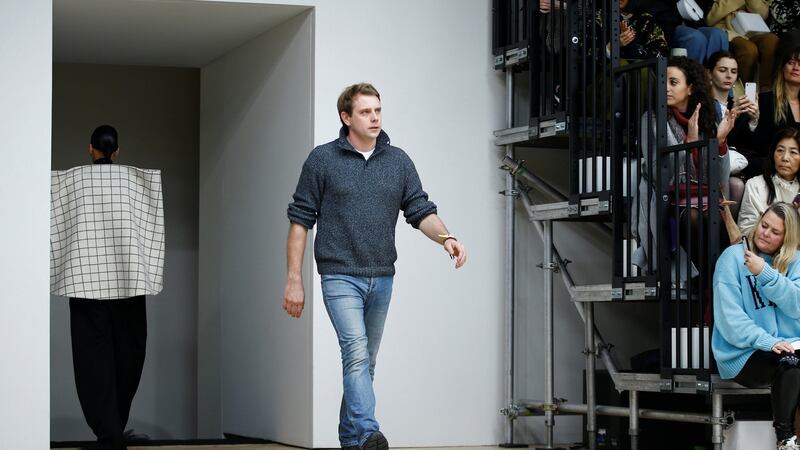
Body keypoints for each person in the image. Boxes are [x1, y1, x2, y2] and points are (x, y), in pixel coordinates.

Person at [283, 83, 467, 450]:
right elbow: (300, 220)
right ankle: (369, 433)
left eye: (378, 110)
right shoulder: (322, 160)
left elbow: (420, 210)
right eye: (366, 112)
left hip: (382, 276)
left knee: (364, 364)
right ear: (346, 117)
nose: (375, 117)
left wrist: (446, 237)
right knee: (355, 352)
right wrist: (294, 280)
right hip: (339, 275)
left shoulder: (398, 161)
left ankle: (353, 443)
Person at [50, 125, 165, 450]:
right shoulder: (135, 181)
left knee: (91, 359)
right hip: (128, 280)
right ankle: (113, 428)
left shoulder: (72, 181)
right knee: (128, 355)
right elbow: (151, 225)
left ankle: (108, 431)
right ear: (117, 151)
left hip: (84, 279)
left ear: (91, 149)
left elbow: (57, 222)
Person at [634, 56, 737, 274]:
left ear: (690, 88)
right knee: (694, 216)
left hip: (703, 197)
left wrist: (720, 144)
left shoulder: (708, 118)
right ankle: (715, 283)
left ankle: (714, 281)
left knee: (711, 215)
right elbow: (657, 172)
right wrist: (688, 144)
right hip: (668, 197)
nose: (666, 88)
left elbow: (720, 178)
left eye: (673, 82)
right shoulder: (651, 119)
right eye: (663, 82)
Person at [712, 201, 800, 450]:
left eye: (775, 232)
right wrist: (769, 342)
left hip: (787, 346)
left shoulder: (794, 261)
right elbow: (731, 322)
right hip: (742, 353)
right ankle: (785, 439)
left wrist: (766, 274)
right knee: (790, 364)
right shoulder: (732, 258)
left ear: (787, 237)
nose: (765, 234)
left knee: (792, 361)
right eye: (764, 225)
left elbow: (797, 305)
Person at [706, 0, 780, 92]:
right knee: (749, 49)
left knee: (771, 41)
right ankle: (742, 92)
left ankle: (766, 91)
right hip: (727, 30)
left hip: (753, 30)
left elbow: (763, 13)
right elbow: (710, 18)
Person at [738, 128, 800, 233]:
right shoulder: (755, 185)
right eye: (780, 150)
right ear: (773, 154)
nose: (785, 158)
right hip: (760, 248)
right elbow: (746, 230)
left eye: (793, 152)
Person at [754, 45, 800, 148]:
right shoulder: (765, 100)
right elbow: (759, 143)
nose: (796, 68)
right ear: (783, 68)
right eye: (791, 63)